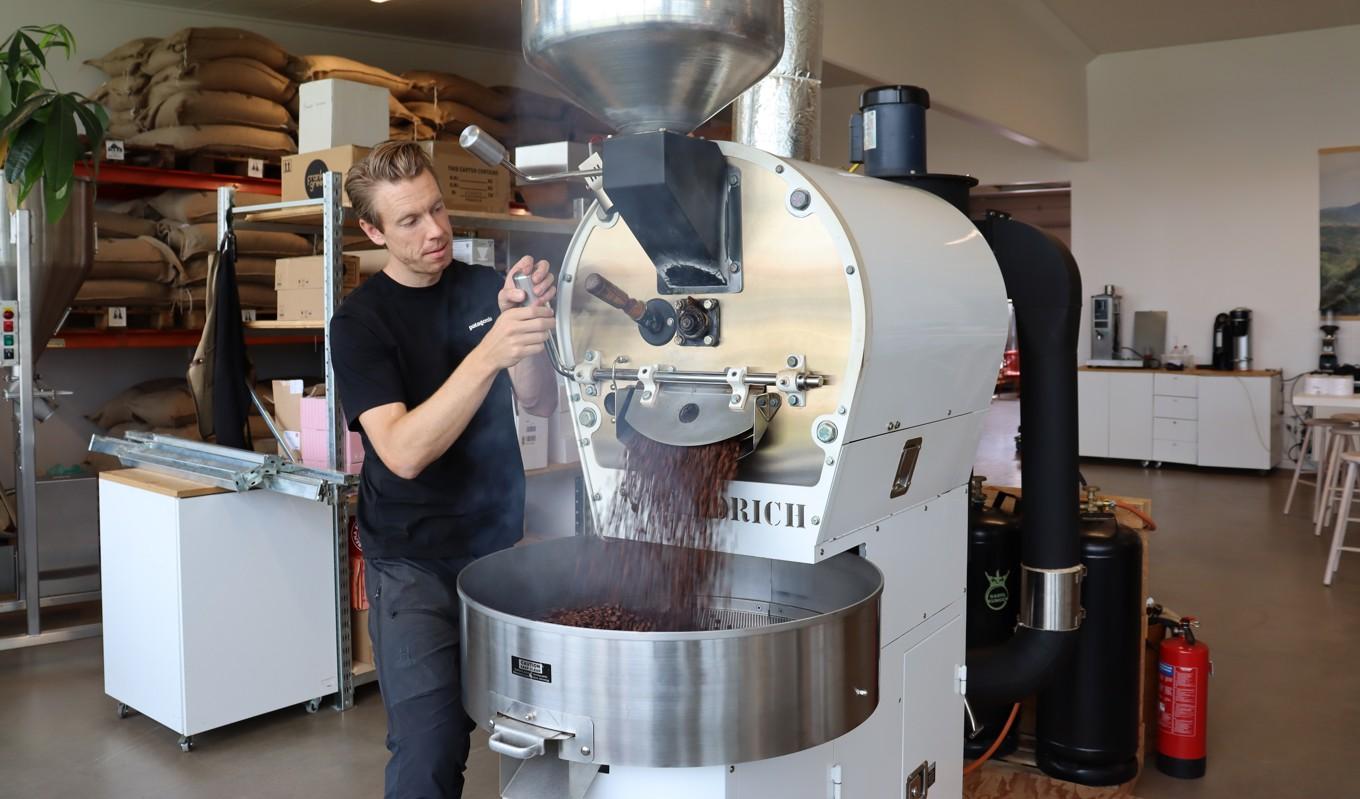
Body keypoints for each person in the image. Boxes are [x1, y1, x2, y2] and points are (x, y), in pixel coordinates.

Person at [328, 140, 559, 798]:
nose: (435, 231)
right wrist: (489, 352)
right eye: (409, 220)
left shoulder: (484, 287)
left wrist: (522, 323)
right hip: (411, 559)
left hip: (498, 549)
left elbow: (537, 398)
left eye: (437, 209)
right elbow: (401, 451)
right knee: (431, 746)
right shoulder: (360, 323)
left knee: (538, 726)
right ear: (372, 231)